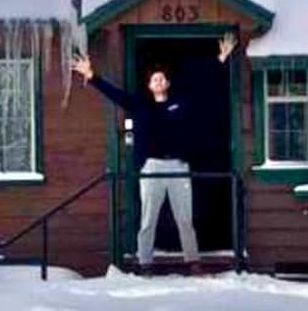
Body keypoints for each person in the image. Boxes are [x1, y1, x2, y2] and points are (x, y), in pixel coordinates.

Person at [71, 33, 238, 273]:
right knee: (148, 220)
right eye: (154, 79)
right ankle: (145, 263)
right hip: (151, 168)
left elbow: (203, 87)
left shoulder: (180, 103)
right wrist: (92, 76)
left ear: (167, 83)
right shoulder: (140, 105)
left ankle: (193, 262)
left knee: (185, 219)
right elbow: (115, 95)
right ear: (149, 85)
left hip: (179, 167)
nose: (158, 82)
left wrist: (220, 59)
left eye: (161, 79)